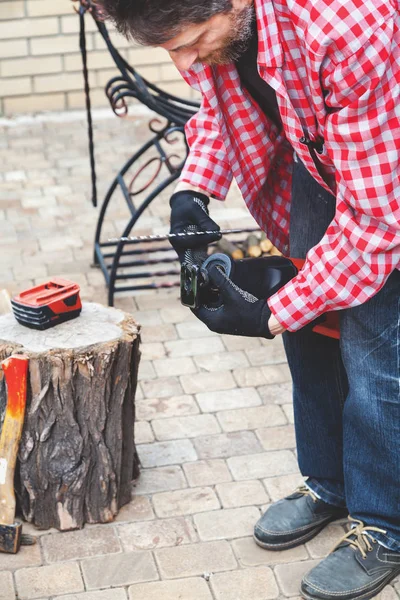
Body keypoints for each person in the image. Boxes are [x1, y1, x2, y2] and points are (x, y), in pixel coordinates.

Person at [98, 0, 400, 597]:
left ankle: (385, 524)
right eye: (170, 50)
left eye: (192, 41)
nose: (184, 61)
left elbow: (374, 225)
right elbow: (220, 107)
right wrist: (194, 191)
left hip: (381, 177)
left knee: (374, 355)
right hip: (321, 161)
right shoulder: (213, 28)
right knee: (312, 334)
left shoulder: (344, 27)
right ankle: (331, 483)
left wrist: (268, 312)